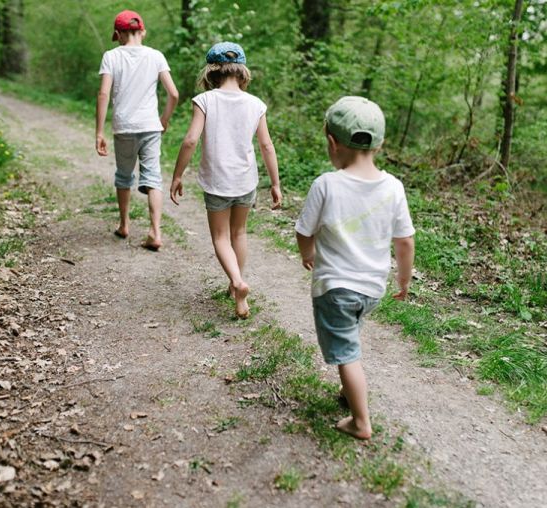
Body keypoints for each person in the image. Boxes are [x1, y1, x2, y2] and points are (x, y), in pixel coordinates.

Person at [295, 96, 415, 440]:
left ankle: (361, 421)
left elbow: (304, 231)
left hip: (335, 288)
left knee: (346, 354)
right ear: (380, 144)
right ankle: (350, 390)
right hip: (372, 289)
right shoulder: (393, 187)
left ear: (333, 143)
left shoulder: (327, 184)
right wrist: (403, 280)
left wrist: (308, 253)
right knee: (349, 335)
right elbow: (405, 241)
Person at [170, 42, 282, 319]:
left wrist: (177, 175)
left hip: (217, 181)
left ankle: (237, 282)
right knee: (239, 233)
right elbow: (267, 146)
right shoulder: (256, 104)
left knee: (220, 237)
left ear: (211, 71)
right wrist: (275, 184)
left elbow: (191, 140)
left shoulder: (205, 100)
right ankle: (236, 286)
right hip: (245, 180)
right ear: (242, 71)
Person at [96, 9, 179, 249]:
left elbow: (103, 94)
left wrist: (99, 132)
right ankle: (155, 232)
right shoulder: (156, 56)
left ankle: (124, 224)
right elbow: (173, 94)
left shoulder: (111, 56)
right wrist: (164, 119)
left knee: (124, 176)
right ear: (143, 31)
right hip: (150, 126)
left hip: (124, 127)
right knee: (152, 177)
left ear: (118, 34)